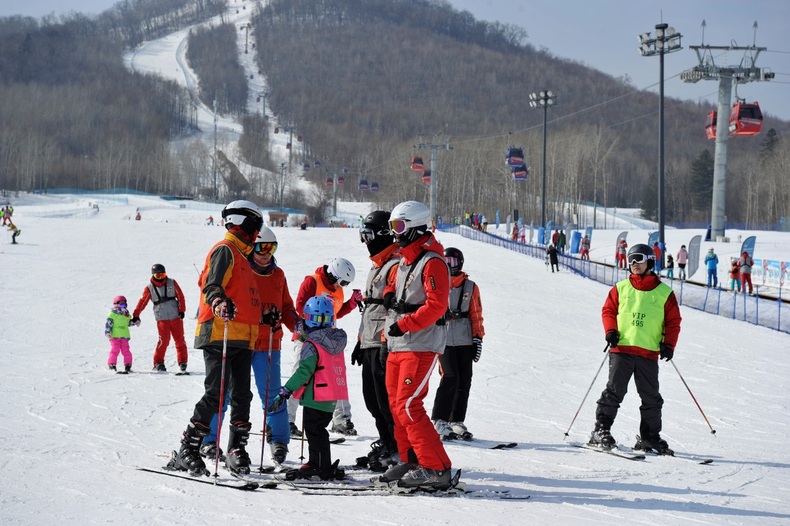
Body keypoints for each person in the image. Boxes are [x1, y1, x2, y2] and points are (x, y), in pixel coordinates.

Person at [168, 200, 263, 476]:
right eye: (255, 226)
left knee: (243, 394)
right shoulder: (226, 250)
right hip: (219, 332)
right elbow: (212, 284)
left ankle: (236, 449)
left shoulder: (244, 257)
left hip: (243, 336)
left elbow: (246, 297)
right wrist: (218, 301)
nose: (257, 233)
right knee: (216, 393)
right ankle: (188, 448)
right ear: (242, 223)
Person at [201, 226, 299, 465]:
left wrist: (298, 327)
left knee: (272, 395)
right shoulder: (240, 270)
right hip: (241, 340)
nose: (265, 253)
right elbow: (208, 282)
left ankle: (278, 440)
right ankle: (209, 440)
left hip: (269, 343)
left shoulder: (278, 275)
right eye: (261, 247)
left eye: (271, 248)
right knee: (227, 394)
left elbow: (286, 307)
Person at [378, 200, 453, 489]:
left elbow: (436, 306)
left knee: (410, 405)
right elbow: (394, 283)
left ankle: (436, 468)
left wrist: (404, 323)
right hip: (398, 343)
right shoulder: (405, 260)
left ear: (414, 226)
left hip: (420, 343)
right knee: (397, 406)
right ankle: (411, 459)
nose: (394, 233)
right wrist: (387, 294)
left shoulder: (433, 262)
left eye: (397, 227)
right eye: (391, 227)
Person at [589, 243, 682, 455]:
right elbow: (608, 311)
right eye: (630, 259)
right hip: (622, 349)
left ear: (649, 261)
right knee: (614, 391)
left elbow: (673, 321)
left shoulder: (664, 293)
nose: (633, 263)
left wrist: (669, 344)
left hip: (647, 353)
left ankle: (649, 438)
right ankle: (600, 430)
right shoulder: (621, 288)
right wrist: (610, 330)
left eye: (638, 258)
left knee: (651, 397)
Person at [268, 296, 348, 481]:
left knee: (314, 430)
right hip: (331, 395)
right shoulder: (334, 341)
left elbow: (304, 372)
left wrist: (286, 390)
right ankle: (319, 463)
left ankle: (319, 466)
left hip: (317, 395)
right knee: (318, 429)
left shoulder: (312, 345)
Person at [288, 257, 362, 437]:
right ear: (333, 275)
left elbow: (336, 313)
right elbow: (299, 306)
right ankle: (287, 420)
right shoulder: (312, 281)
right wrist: (308, 329)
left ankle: (341, 419)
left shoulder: (338, 290)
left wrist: (351, 303)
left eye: (346, 283)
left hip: (328, 341)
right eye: (342, 281)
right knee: (300, 376)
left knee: (336, 376)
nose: (342, 286)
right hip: (307, 339)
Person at [352, 211, 400, 472]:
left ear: (383, 234)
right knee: (371, 400)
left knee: (385, 400)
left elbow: (391, 310)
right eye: (363, 236)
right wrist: (361, 340)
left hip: (384, 343)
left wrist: (383, 342)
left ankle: (397, 447)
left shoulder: (395, 265)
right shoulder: (377, 265)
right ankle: (386, 441)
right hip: (370, 340)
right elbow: (370, 308)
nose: (365, 242)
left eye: (368, 235)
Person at [431, 247, 485, 440]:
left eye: (452, 262)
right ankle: (440, 419)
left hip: (464, 338)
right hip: (443, 338)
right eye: (445, 262)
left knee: (464, 379)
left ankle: (456, 421)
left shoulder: (470, 287)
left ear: (460, 263)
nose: (448, 266)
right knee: (450, 377)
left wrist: (478, 338)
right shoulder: (438, 283)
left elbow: (476, 314)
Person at [131, 264, 188, 373]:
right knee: (164, 341)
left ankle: (183, 362)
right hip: (162, 318)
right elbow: (142, 302)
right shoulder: (150, 288)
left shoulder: (172, 283)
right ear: (153, 275)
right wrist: (136, 314)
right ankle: (158, 362)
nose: (161, 277)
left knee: (180, 340)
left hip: (175, 316)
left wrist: (182, 310)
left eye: (163, 274)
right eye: (159, 275)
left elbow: (180, 296)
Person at [105, 295, 134, 373]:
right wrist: (107, 332)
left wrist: (134, 322)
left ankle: (128, 365)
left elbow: (128, 323)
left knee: (126, 351)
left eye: (125, 304)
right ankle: (112, 364)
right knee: (115, 350)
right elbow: (108, 324)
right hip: (115, 336)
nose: (123, 306)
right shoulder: (113, 315)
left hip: (124, 336)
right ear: (116, 305)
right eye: (121, 304)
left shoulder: (126, 314)